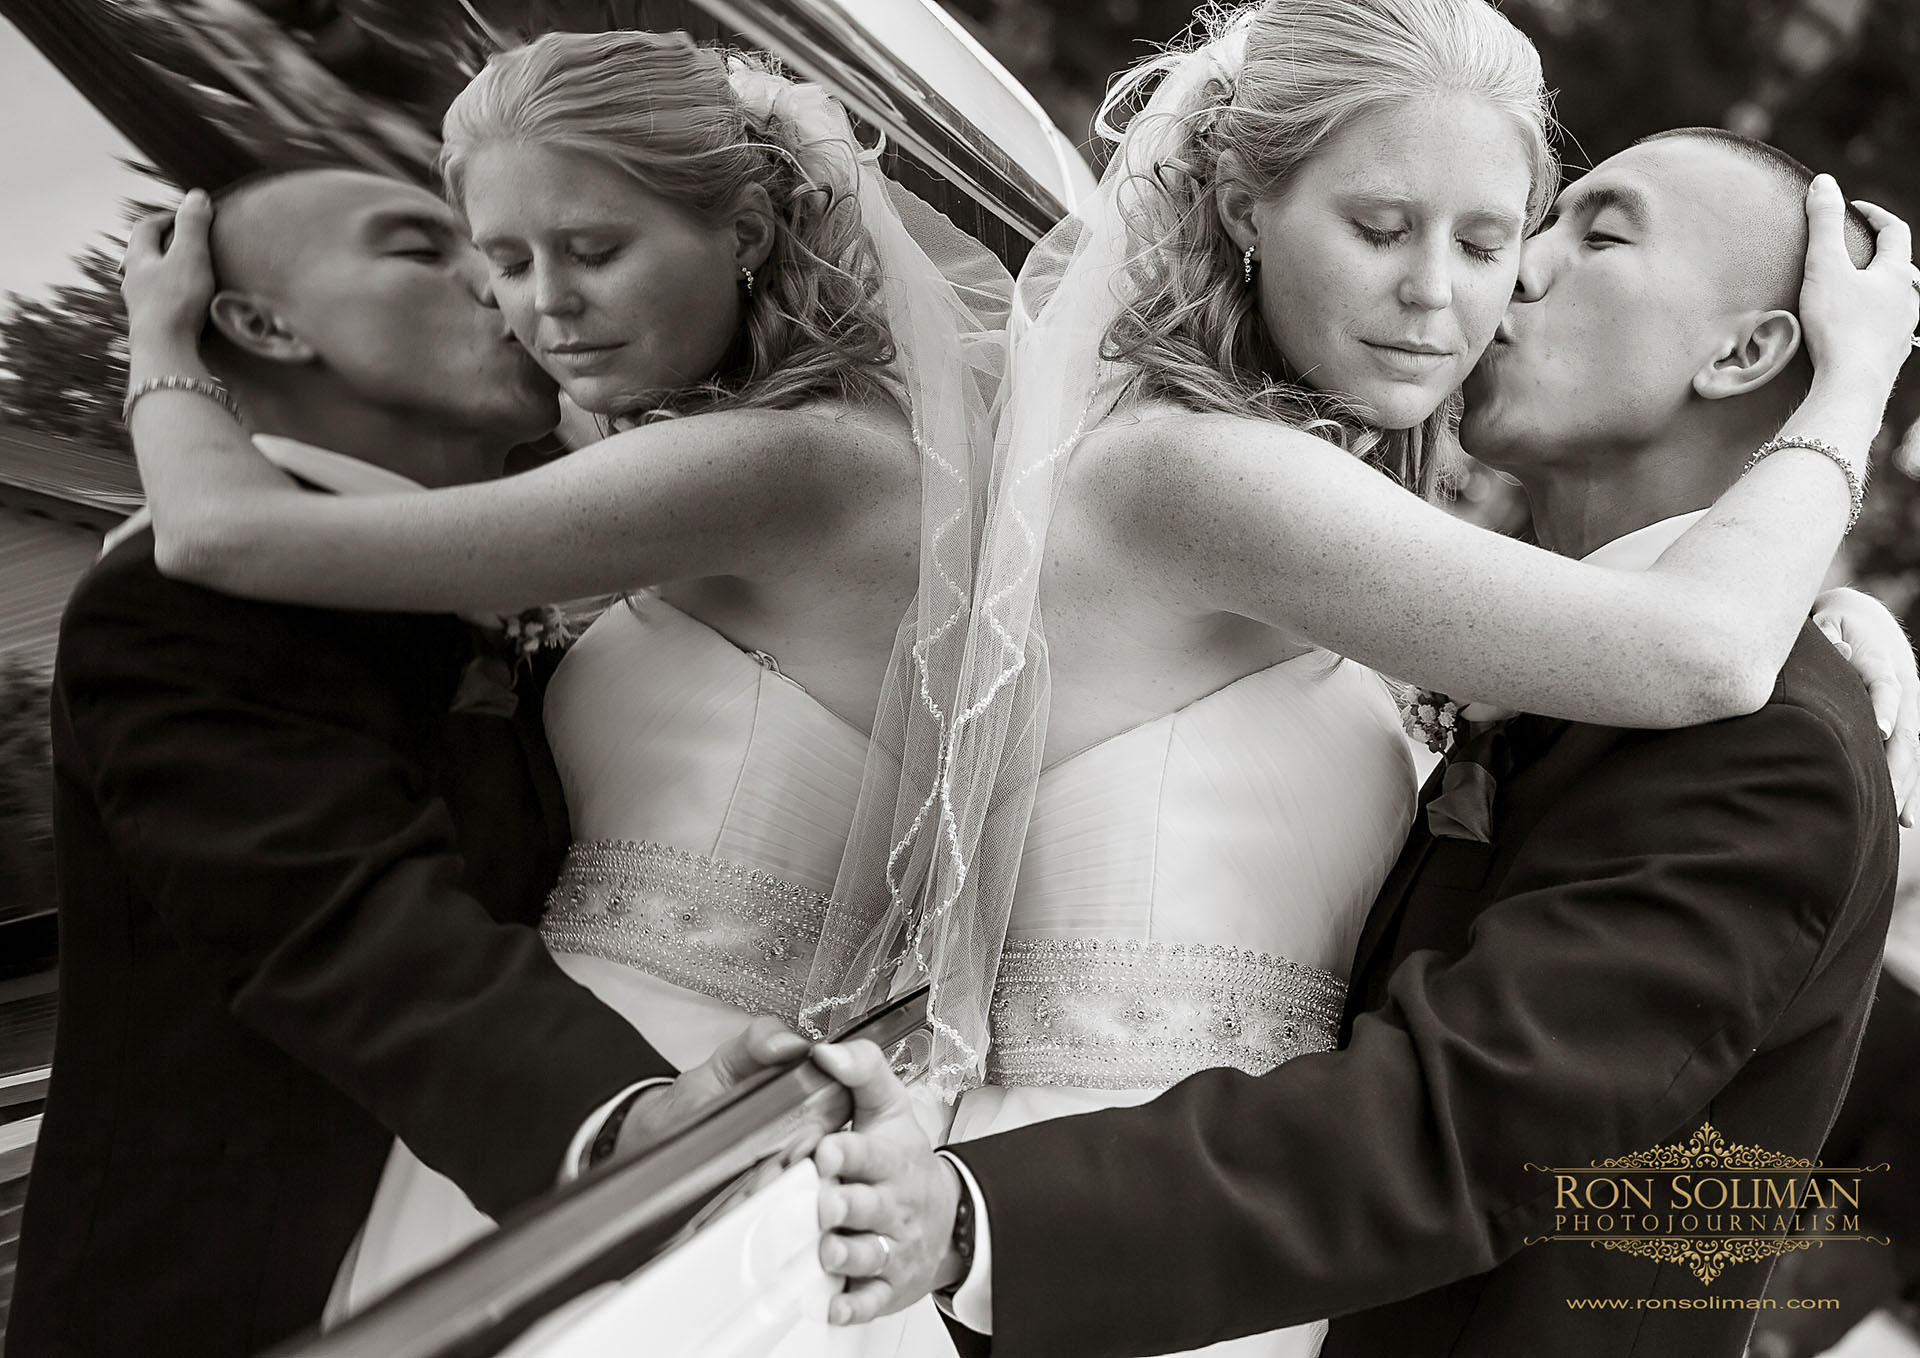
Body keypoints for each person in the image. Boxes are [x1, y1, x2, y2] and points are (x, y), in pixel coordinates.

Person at [803, 121, 1917, 1358]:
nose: (1519, 271)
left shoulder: (1771, 742)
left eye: (1595, 235)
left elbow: (1466, 1119)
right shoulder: (1567, 653)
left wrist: (977, 1214)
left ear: (1748, 349)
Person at [109, 27, 1009, 1338]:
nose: (542, 307)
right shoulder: (726, 452)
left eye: (595, 251)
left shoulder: (780, 463)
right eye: (504, 260)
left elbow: (218, 536)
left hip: (668, 1106)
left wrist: (162, 352)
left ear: (747, 231)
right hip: (636, 1099)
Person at [6, 166, 809, 1358]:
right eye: (419, 252)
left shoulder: (482, 580)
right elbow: (336, 916)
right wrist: (622, 1123)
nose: (501, 285)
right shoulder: (171, 599)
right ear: (265, 325)